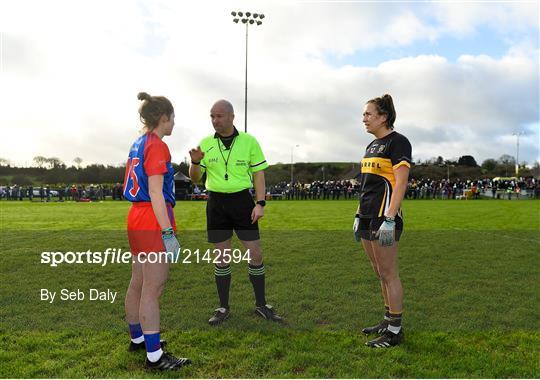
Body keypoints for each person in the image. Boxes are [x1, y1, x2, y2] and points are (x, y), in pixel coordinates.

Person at [189, 99, 283, 325]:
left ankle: (261, 305)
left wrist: (260, 203)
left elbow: (259, 174)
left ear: (232, 116)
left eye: (219, 116)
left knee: (255, 253)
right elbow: (195, 178)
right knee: (221, 257)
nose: (215, 120)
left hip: (242, 202)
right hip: (216, 203)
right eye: (212, 116)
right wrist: (194, 162)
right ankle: (223, 307)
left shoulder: (249, 141)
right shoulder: (204, 144)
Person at [122, 92, 191, 370]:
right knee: (153, 287)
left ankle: (138, 338)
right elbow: (155, 193)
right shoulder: (157, 146)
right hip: (151, 219)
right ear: (164, 118)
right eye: (173, 118)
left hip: (136, 218)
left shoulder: (138, 142)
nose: (174, 123)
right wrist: (167, 233)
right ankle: (155, 356)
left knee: (138, 282)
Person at [353, 94, 412, 348]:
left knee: (389, 273)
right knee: (379, 273)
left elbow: (400, 183)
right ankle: (387, 320)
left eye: (368, 114)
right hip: (366, 217)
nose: (364, 119)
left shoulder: (398, 143)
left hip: (384, 219)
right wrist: (357, 214)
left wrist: (389, 218)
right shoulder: (370, 146)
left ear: (383, 117)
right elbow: (367, 186)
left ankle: (395, 331)